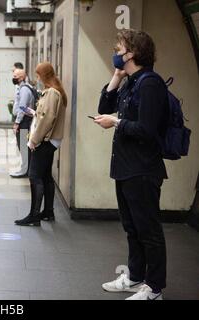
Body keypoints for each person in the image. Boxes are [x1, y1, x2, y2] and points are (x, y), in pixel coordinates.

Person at [94, 29, 169, 300]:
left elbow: (147, 130)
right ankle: (136, 277)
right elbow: (105, 103)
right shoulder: (132, 81)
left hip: (143, 169)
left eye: (119, 48)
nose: (115, 52)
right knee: (132, 227)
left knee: (148, 230)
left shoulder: (150, 84)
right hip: (126, 167)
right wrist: (116, 76)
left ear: (132, 53)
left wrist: (115, 122)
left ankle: (154, 288)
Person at [15, 62, 67, 226]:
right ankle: (48, 212)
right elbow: (44, 115)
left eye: (38, 75)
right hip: (50, 140)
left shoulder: (51, 92)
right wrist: (34, 113)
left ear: (44, 75)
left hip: (44, 141)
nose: (37, 78)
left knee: (34, 176)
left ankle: (34, 215)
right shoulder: (55, 91)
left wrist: (33, 141)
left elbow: (46, 120)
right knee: (45, 176)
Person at [10, 69, 34, 178]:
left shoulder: (24, 90)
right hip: (23, 121)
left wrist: (17, 123)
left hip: (24, 121)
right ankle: (27, 169)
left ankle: (24, 171)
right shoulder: (23, 88)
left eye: (15, 76)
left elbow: (23, 108)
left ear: (21, 77)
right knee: (23, 147)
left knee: (23, 147)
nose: (13, 78)